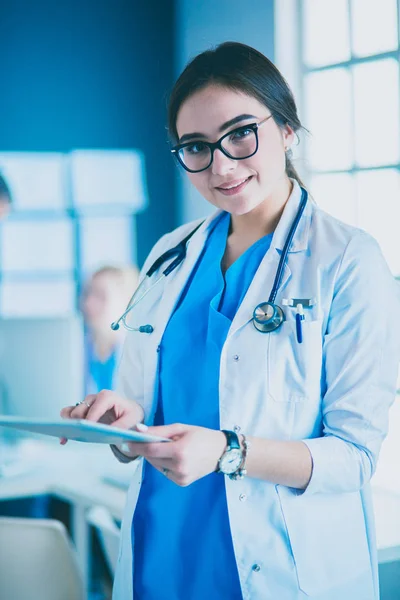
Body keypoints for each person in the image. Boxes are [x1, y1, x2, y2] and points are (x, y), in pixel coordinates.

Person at [61, 42, 400, 600]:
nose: (221, 164)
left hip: (280, 567)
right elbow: (141, 408)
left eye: (241, 132)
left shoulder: (348, 260)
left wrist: (228, 451)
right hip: (162, 554)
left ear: (287, 128)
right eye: (195, 146)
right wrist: (120, 422)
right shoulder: (171, 254)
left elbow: (355, 459)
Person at [80, 265, 139, 394]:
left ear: (127, 302)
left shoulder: (140, 353)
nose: (88, 303)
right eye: (86, 294)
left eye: (100, 296)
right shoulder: (78, 348)